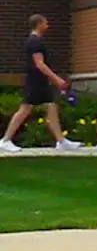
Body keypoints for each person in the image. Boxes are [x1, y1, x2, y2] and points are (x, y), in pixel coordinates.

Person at [1, 14, 81, 152]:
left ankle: (61, 141)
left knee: (51, 107)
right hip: (35, 81)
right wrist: (57, 79)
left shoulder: (36, 41)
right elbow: (40, 64)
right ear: (38, 24)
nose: (47, 26)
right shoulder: (34, 42)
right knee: (25, 109)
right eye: (45, 23)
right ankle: (5, 140)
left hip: (41, 80)